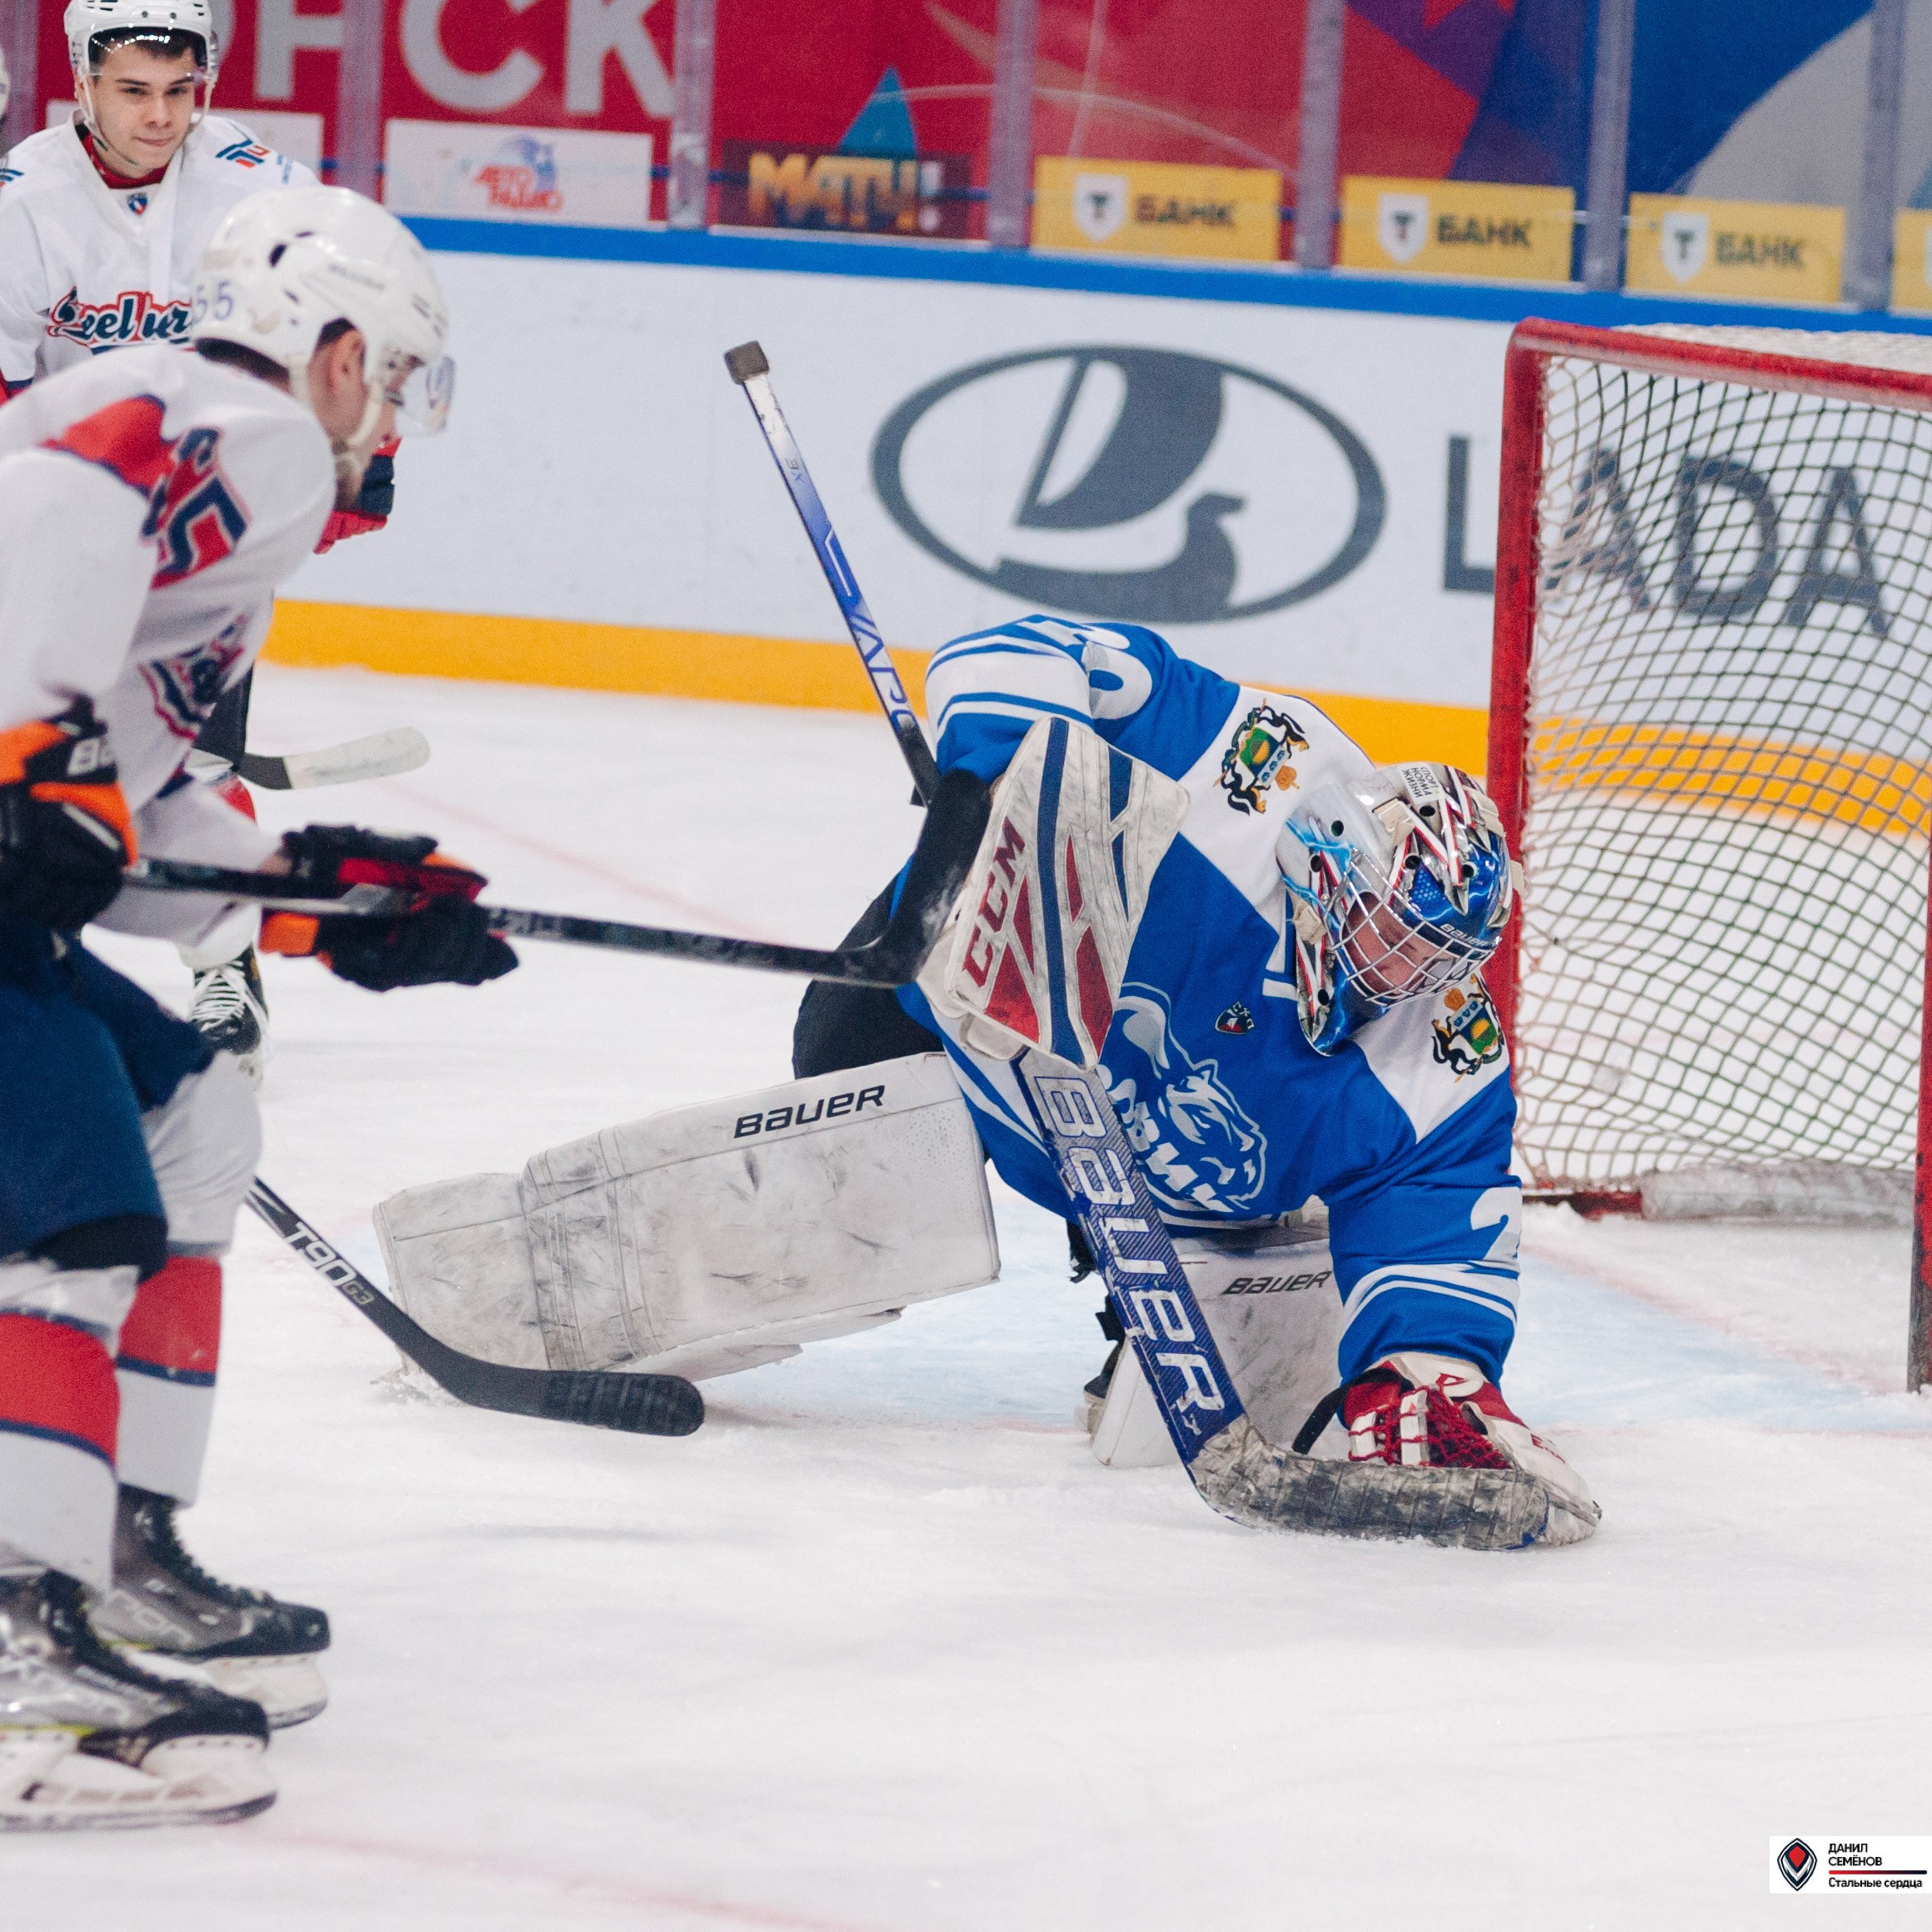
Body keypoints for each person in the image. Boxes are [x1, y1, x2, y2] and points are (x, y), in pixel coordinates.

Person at [0, 184, 512, 1830]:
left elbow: (128, 826)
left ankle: (115, 1551)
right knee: (71, 1201)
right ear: (335, 346)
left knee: (188, 1113)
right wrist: (32, 749)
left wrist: (320, 896)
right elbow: (72, 498)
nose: (389, 425)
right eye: (395, 377)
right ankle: (17, 1635)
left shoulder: (213, 498)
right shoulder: (240, 426)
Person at [794, 613, 1595, 1544]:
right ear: (1333, 870)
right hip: (950, 990)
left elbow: (1443, 1215)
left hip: (1137, 1140)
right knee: (838, 1083)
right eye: (1393, 938)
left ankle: (1135, 1292)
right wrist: (986, 795)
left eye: (1436, 958)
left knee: (1239, 1169)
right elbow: (1012, 651)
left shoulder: (1442, 1041)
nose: (1405, 978)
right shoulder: (1253, 768)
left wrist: (1426, 1370)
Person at [0, 0, 400, 1079]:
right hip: (61, 523)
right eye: (132, 89)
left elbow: (351, 322)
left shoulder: (259, 181)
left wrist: (353, 465)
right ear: (84, 82)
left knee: (171, 750)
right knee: (59, 778)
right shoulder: (27, 203)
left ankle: (222, 962)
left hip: (198, 510)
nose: (159, 116)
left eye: (180, 90)